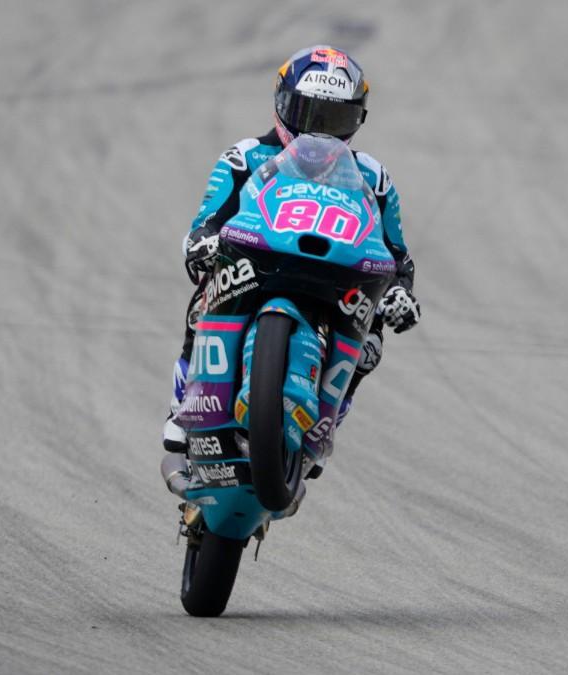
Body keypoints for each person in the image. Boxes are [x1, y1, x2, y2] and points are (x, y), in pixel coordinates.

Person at [164, 45, 421, 452]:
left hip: (337, 276)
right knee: (203, 301)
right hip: (258, 262)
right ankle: (187, 403)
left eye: (333, 119)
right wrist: (202, 241)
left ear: (356, 119)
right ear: (281, 104)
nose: (318, 130)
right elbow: (209, 220)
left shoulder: (373, 176)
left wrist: (401, 291)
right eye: (307, 114)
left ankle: (326, 419)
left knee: (371, 343)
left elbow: (395, 253)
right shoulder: (244, 156)